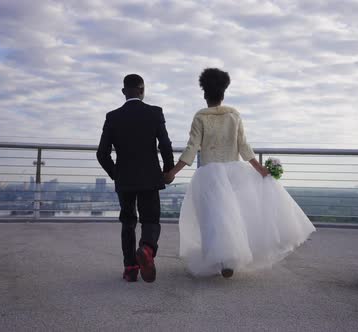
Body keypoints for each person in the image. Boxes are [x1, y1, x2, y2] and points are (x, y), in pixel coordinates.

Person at [165, 68, 315, 278]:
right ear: (223, 94)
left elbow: (192, 148)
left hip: (209, 173)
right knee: (232, 215)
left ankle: (221, 259)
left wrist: (173, 172)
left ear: (205, 94)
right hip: (234, 171)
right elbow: (243, 146)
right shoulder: (233, 115)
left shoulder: (200, 116)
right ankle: (229, 259)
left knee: (213, 216)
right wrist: (260, 169)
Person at [97, 74, 175, 283]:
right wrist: (168, 170)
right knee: (150, 219)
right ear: (143, 91)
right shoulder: (154, 113)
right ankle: (147, 249)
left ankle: (130, 268)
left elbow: (101, 154)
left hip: (125, 180)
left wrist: (117, 174)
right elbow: (165, 145)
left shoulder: (112, 117)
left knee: (128, 222)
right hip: (150, 177)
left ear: (124, 92)